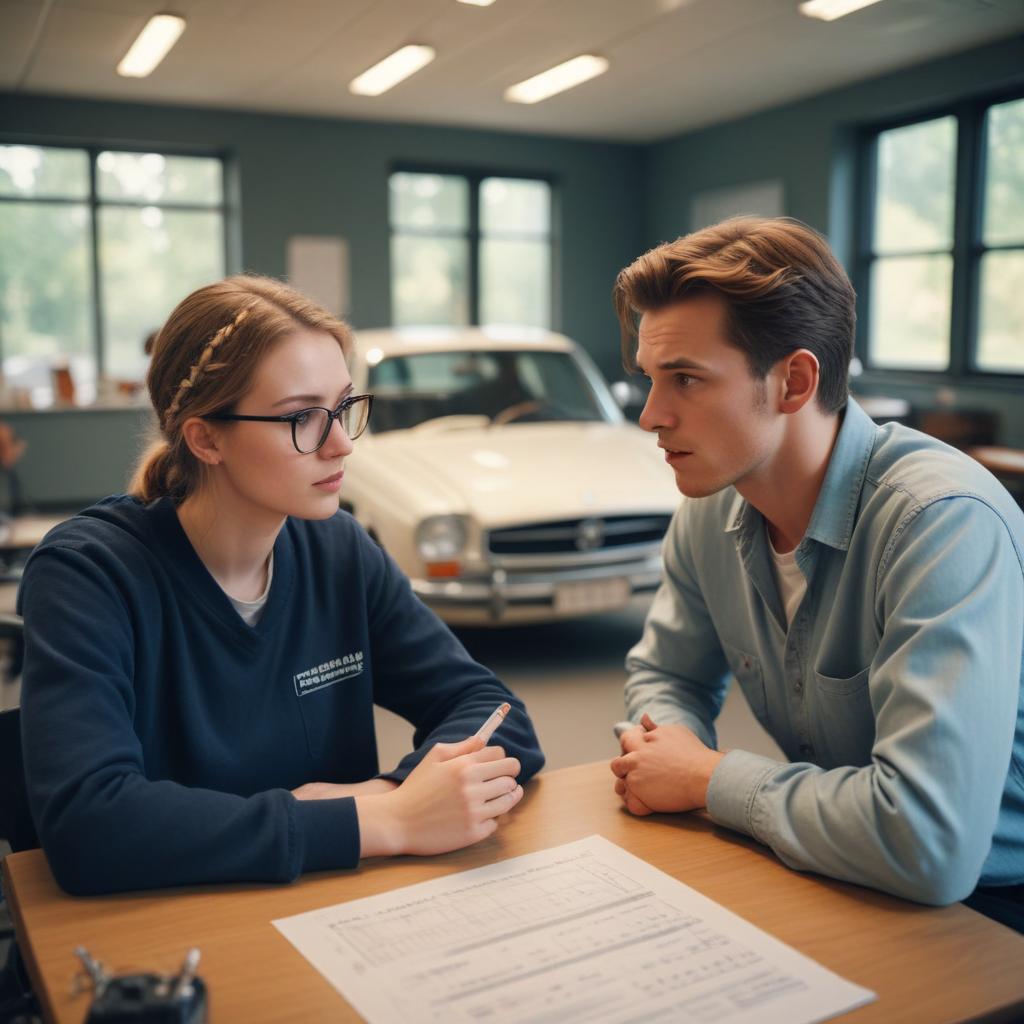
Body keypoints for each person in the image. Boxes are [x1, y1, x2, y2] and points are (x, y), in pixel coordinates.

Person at [18, 274, 544, 896]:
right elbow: (91, 826)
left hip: (335, 908)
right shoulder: (89, 574)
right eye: (302, 417)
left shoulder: (338, 550)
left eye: (345, 407)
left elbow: (493, 711)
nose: (342, 444)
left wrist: (390, 796)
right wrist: (385, 823)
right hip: (172, 925)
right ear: (206, 437)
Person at [608, 217, 1024, 931]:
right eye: (649, 379)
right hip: (837, 863)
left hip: (990, 903)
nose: (651, 415)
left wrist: (707, 779)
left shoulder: (941, 521)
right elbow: (668, 676)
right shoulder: (712, 504)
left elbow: (931, 844)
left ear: (795, 381)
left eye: (685, 380)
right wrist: (666, 747)